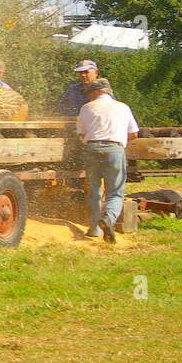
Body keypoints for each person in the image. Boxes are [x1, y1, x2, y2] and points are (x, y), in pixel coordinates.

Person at [75, 77, 139, 242]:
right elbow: (133, 134)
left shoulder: (87, 108)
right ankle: (108, 219)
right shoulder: (123, 107)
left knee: (94, 191)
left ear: (97, 91)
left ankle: (95, 229)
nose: (88, 96)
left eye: (89, 92)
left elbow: (81, 133)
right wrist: (118, 141)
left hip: (92, 148)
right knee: (115, 192)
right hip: (114, 148)